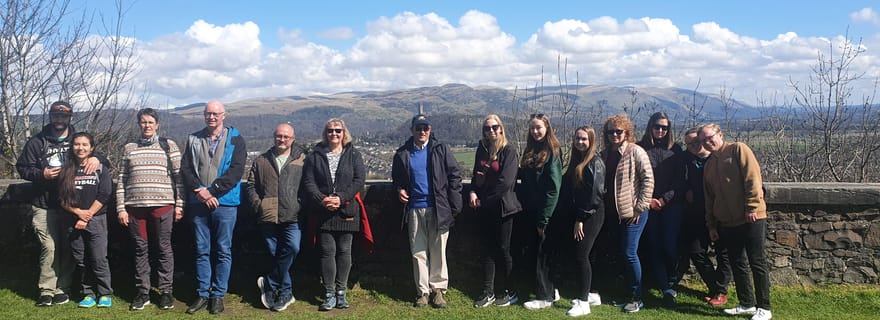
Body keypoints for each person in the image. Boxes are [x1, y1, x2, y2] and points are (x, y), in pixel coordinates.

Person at [15, 101, 102, 307]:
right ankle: (46, 289)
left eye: (63, 116)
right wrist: (41, 174)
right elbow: (22, 167)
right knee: (50, 247)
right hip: (44, 203)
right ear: (51, 117)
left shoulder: (76, 139)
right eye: (56, 116)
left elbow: (93, 154)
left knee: (68, 247)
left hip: (72, 203)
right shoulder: (38, 141)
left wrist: (97, 159)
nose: (59, 120)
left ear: (70, 117)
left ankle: (63, 287)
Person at [180, 100, 248, 315]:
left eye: (215, 114)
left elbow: (236, 171)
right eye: (208, 113)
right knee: (201, 249)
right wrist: (200, 191)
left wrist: (213, 191)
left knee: (223, 250)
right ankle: (202, 293)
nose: (211, 117)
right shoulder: (193, 139)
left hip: (225, 203)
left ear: (224, 115)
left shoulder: (236, 139)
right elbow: (186, 169)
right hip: (198, 202)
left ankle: (218, 294)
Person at [700, 123, 772, 320]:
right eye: (703, 140)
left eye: (710, 137)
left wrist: (751, 206)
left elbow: (752, 178)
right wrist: (712, 225)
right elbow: (710, 199)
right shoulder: (708, 166)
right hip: (727, 222)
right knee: (737, 263)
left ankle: (764, 307)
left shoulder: (738, 149)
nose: (707, 142)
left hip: (752, 217)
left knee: (756, 262)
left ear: (720, 134)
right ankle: (746, 303)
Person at [391, 114, 463, 308]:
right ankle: (423, 292)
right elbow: (396, 178)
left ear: (430, 130)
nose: (422, 131)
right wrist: (399, 189)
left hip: (439, 208)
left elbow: (455, 176)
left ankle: (438, 291)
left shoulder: (440, 150)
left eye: (425, 128)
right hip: (414, 209)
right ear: (412, 130)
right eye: (418, 128)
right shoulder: (402, 153)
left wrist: (454, 206)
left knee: (438, 251)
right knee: (418, 252)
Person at [116, 108, 184, 311]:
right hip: (135, 207)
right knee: (140, 249)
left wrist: (180, 204)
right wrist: (121, 208)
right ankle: (142, 291)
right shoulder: (129, 148)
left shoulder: (168, 145)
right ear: (139, 124)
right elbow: (121, 179)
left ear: (157, 124)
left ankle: (165, 292)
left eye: (150, 122)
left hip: (163, 205)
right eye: (143, 122)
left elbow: (179, 178)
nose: (146, 126)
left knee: (164, 248)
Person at [302, 118, 366, 311]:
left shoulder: (354, 154)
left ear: (344, 132)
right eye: (330, 131)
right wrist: (322, 199)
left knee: (345, 250)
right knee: (327, 251)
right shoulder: (315, 155)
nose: (334, 134)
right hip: (322, 210)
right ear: (325, 133)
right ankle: (329, 293)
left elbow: (359, 180)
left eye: (338, 131)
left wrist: (340, 198)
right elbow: (308, 181)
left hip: (346, 210)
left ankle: (341, 292)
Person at [246, 123, 306, 312]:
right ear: (274, 137)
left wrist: (301, 204)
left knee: (292, 248)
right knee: (275, 254)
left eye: (286, 137)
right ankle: (285, 293)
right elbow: (250, 186)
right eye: (279, 136)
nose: (282, 140)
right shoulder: (261, 160)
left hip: (293, 214)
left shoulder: (302, 160)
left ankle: (270, 282)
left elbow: (309, 185)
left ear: (293, 138)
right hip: (268, 215)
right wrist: (259, 204)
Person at [601, 115, 653, 313]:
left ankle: (636, 297)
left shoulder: (635, 151)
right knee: (619, 254)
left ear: (627, 132)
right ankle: (626, 294)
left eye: (618, 131)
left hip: (633, 213)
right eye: (610, 132)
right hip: (614, 213)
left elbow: (648, 180)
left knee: (629, 254)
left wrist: (639, 208)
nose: (614, 134)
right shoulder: (605, 154)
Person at [469, 114, 522, 308]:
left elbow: (505, 183)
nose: (490, 131)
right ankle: (488, 291)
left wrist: (484, 200)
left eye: (494, 127)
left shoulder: (509, 151)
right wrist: (473, 192)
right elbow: (475, 176)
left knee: (503, 249)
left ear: (501, 128)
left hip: (503, 209)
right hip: (484, 208)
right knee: (487, 250)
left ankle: (510, 290)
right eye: (486, 128)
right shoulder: (481, 150)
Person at [57, 132, 113, 308]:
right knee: (81, 259)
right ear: (72, 147)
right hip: (73, 220)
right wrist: (77, 213)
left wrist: (87, 215)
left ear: (92, 148)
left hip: (96, 219)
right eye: (77, 144)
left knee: (98, 258)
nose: (80, 148)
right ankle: (88, 293)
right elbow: (61, 198)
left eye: (84, 145)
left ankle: (104, 293)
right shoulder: (66, 170)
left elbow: (105, 194)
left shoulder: (100, 168)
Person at [677, 127, 732, 307]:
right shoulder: (686, 159)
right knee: (697, 252)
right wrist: (687, 190)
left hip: (722, 212)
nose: (692, 146)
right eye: (688, 144)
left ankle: (720, 291)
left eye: (695, 142)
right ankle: (715, 287)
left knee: (723, 254)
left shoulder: (717, 158)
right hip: (697, 214)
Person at [636, 111, 685, 307]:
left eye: (665, 127)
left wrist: (664, 200)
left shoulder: (676, 150)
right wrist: (648, 201)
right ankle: (665, 288)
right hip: (647, 205)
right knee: (654, 246)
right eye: (657, 127)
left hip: (671, 205)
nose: (661, 131)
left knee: (670, 246)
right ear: (650, 127)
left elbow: (681, 180)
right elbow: (635, 179)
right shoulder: (640, 148)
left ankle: (672, 280)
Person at [561, 126, 606, 317]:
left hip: (591, 214)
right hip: (583, 212)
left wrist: (581, 218)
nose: (580, 142)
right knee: (590, 254)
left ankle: (583, 302)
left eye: (584, 139)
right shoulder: (577, 160)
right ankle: (592, 293)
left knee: (581, 255)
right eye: (577, 138)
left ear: (591, 141)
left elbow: (595, 195)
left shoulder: (595, 162)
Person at [519, 114, 563, 310]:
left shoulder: (552, 151)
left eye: (538, 128)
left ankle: (543, 297)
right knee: (537, 251)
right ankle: (551, 291)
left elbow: (554, 187)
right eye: (532, 128)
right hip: (531, 209)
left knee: (542, 255)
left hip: (546, 212)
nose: (535, 131)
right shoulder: (531, 150)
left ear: (547, 128)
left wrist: (545, 217)